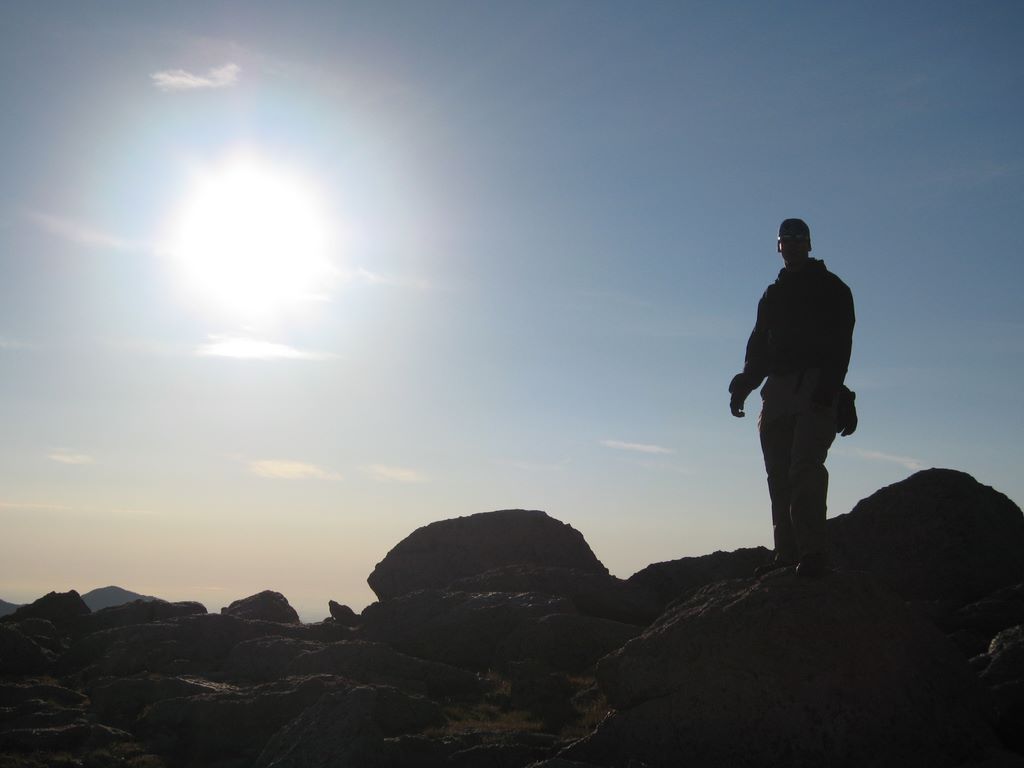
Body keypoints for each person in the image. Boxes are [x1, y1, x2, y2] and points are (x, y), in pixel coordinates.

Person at [729, 218, 856, 578]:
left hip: (816, 386)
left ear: (809, 244)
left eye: (800, 239)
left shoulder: (833, 288)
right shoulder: (773, 295)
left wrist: (830, 390)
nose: (794, 244)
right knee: (779, 475)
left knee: (805, 468)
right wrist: (745, 383)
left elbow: (841, 344)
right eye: (788, 239)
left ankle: (812, 554)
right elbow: (759, 345)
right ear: (779, 246)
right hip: (778, 390)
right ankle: (786, 555)